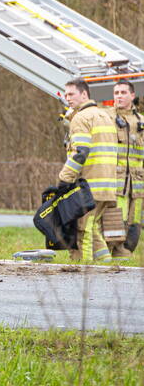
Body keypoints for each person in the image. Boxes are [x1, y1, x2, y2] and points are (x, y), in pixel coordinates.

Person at [60, 78, 120, 263]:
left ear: (84, 94)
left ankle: (83, 274)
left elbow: (81, 152)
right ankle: (106, 266)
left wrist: (65, 178)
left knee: (82, 231)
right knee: (92, 228)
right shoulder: (105, 116)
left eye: (72, 94)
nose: (67, 98)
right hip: (107, 185)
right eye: (66, 94)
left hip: (90, 186)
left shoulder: (81, 118)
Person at [110, 81, 144, 253]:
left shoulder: (141, 122)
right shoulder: (108, 119)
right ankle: (114, 253)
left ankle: (127, 254)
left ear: (132, 95)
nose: (119, 96)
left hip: (138, 185)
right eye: (116, 93)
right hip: (118, 183)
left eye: (123, 92)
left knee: (135, 223)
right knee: (116, 221)